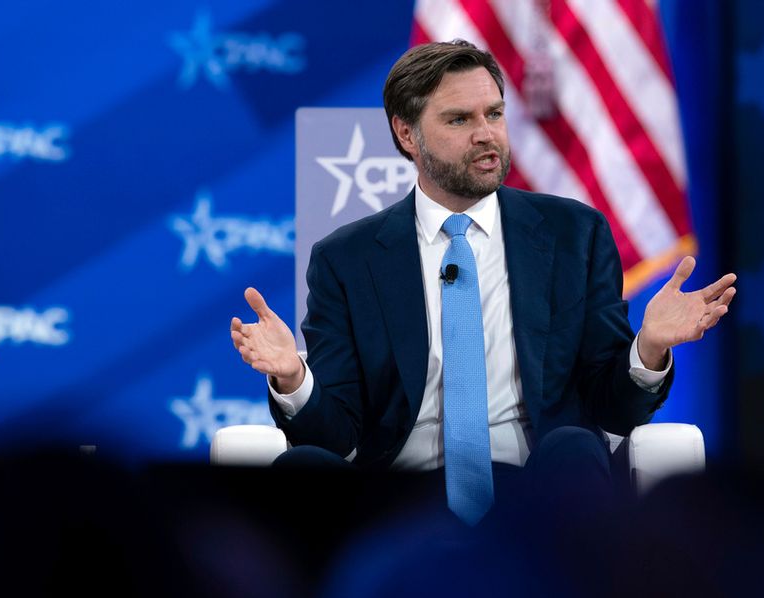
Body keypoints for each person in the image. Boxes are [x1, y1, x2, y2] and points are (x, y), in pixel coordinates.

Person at [230, 40, 735, 524]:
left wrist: (647, 349)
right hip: (398, 502)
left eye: (494, 114)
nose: (486, 134)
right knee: (301, 469)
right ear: (407, 134)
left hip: (540, 493)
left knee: (576, 445)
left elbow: (613, 408)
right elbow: (335, 435)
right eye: (459, 119)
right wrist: (294, 379)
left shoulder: (573, 234)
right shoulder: (346, 259)